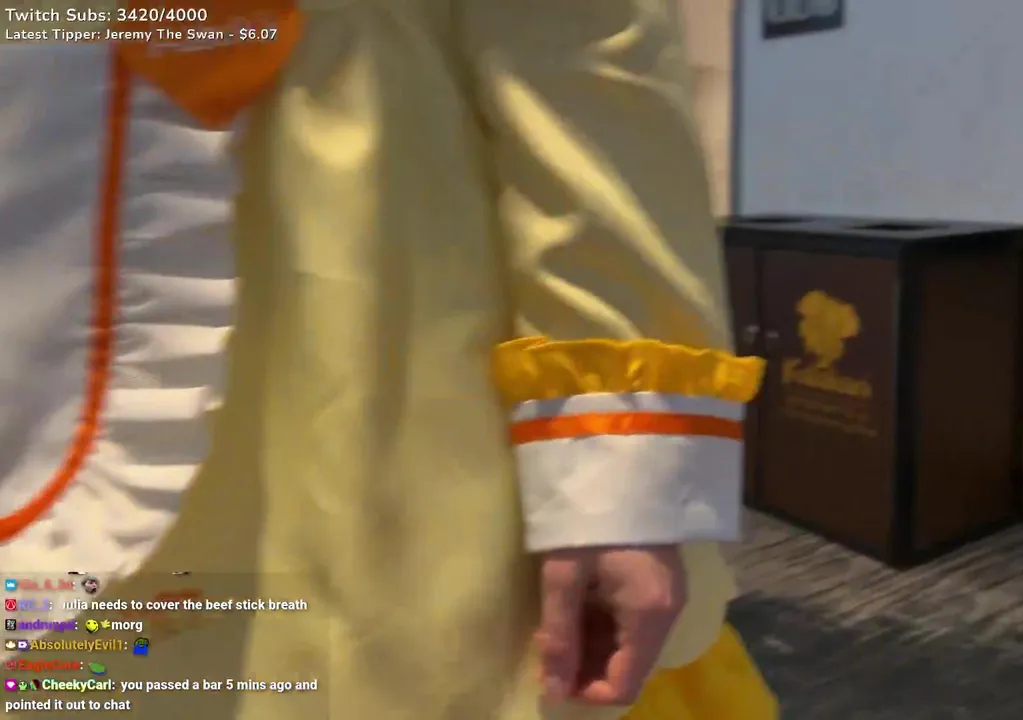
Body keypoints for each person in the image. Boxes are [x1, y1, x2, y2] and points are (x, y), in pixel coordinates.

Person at [0, 2, 776, 718]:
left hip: (362, 300)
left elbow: (587, 52)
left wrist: (612, 474)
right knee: (68, 671)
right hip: (42, 278)